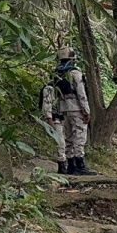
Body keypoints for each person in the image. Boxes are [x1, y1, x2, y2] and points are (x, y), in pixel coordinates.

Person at [45, 47, 97, 175]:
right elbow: (81, 94)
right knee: (79, 136)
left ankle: (70, 165)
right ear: (72, 58)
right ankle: (80, 165)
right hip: (76, 108)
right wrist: (86, 111)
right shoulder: (75, 73)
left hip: (63, 109)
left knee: (68, 137)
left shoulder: (56, 74)